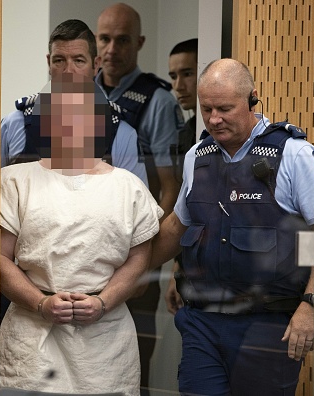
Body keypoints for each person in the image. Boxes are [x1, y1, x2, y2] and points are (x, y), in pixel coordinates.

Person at [150, 58, 314, 395]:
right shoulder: (198, 156)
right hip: (203, 322)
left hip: (266, 325)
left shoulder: (295, 155)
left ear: (253, 98)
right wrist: (123, 272)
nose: (214, 119)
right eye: (206, 108)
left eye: (225, 108)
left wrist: (311, 305)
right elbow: (176, 227)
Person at [0, 72, 163, 396]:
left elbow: (139, 259)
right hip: (33, 338)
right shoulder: (15, 181)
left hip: (107, 343)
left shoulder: (127, 186)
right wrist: (42, 303)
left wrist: (102, 302)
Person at [0, 19, 147, 324]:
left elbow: (136, 231)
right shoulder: (14, 123)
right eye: (59, 60)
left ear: (95, 64)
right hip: (22, 290)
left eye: (78, 61)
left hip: (98, 299)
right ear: (48, 64)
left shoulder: (122, 133)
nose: (68, 71)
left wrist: (106, 300)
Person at [95, 5, 183, 392]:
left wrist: (144, 259)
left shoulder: (158, 100)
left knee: (131, 355)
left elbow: (170, 188)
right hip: (85, 245)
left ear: (140, 43)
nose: (111, 48)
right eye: (104, 38)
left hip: (134, 246)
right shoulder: (78, 92)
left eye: (123, 39)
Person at [166, 38, 199, 315]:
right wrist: (176, 269)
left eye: (187, 74)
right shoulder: (186, 134)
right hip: (189, 265)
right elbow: (184, 212)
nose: (178, 85)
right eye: (174, 76)